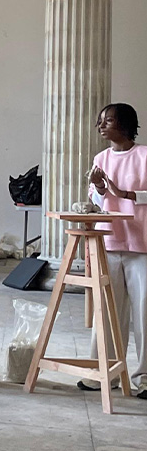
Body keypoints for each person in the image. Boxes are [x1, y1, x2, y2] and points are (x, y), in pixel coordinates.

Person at [82, 103, 147, 398]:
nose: (101, 126)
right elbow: (97, 201)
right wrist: (98, 187)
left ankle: (144, 377)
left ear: (126, 123)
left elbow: (125, 195)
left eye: (108, 120)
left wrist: (126, 194)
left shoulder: (144, 156)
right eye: (100, 121)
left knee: (143, 311)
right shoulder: (101, 158)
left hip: (141, 245)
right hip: (110, 240)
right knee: (107, 310)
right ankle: (103, 372)